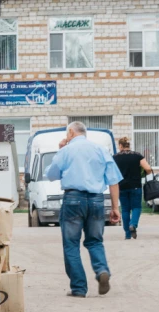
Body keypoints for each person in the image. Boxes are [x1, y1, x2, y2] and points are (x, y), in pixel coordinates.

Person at [46, 122, 122, 298]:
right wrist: (115, 207)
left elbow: (51, 175)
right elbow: (113, 180)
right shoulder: (100, 149)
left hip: (73, 199)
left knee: (71, 243)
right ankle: (102, 270)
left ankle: (79, 288)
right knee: (95, 241)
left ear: (71, 132)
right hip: (96, 200)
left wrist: (60, 150)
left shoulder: (66, 150)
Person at [113, 136, 153, 240]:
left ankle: (127, 235)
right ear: (128, 145)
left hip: (121, 187)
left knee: (125, 210)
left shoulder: (115, 157)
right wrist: (144, 173)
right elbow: (148, 168)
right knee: (136, 207)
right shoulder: (137, 155)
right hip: (135, 186)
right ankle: (133, 224)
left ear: (120, 146)